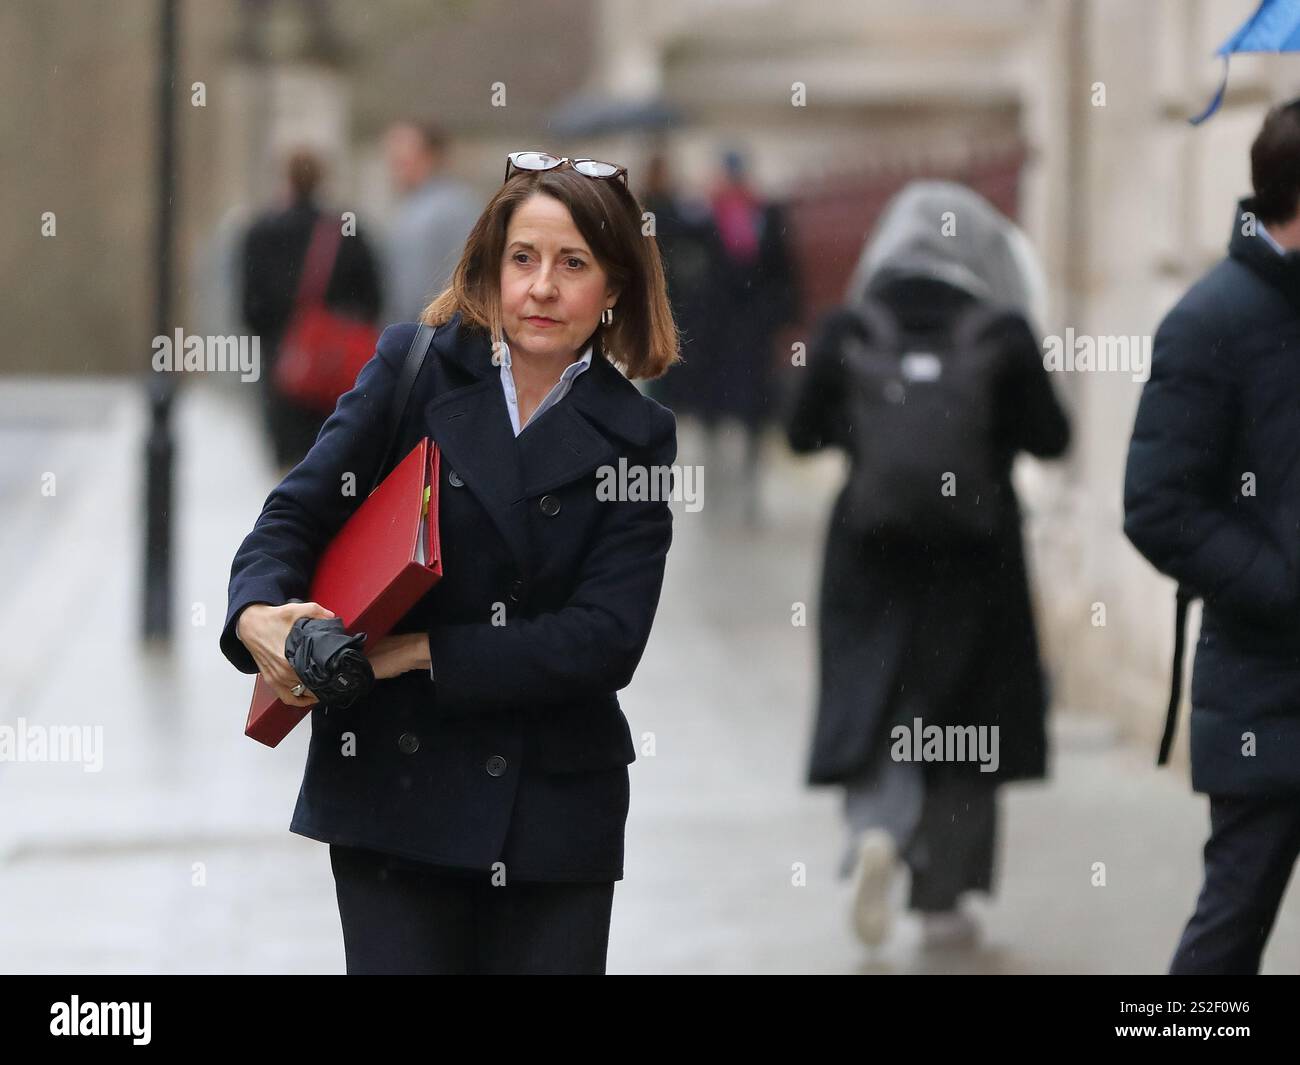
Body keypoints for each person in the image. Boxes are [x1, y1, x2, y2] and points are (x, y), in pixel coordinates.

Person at [219, 150, 681, 974]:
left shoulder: (638, 437)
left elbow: (606, 639)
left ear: (613, 288)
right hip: (394, 792)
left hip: (553, 811)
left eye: (573, 264)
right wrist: (259, 615)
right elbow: (294, 514)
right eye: (524, 258)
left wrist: (420, 652)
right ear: (490, 267)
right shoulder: (411, 369)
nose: (542, 286)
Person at [786, 181, 1069, 951]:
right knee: (965, 715)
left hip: (868, 554)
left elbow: (800, 433)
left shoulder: (850, 326)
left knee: (878, 696)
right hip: (977, 556)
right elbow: (1051, 438)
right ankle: (944, 902)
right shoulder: (1001, 332)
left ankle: (878, 827)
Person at [1124, 99, 1300, 975]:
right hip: (1268, 693)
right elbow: (1157, 506)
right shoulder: (1211, 322)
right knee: (1228, 934)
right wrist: (1285, 583)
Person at [240, 147, 384, 473]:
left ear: (285, 179)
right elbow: (373, 303)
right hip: (337, 378)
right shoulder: (347, 231)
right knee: (333, 469)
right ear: (322, 181)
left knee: (288, 476)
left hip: (282, 373)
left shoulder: (260, 232)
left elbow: (250, 311)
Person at [705, 149, 800, 527]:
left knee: (756, 403)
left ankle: (750, 473)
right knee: (717, 399)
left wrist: (784, 318)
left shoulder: (768, 214)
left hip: (756, 326)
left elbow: (785, 271)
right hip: (720, 327)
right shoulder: (708, 216)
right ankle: (718, 473)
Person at [380, 118, 481, 326]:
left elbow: (413, 290)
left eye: (402, 157)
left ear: (429, 157)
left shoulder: (446, 208)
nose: (394, 165)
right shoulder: (416, 207)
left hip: (432, 331)